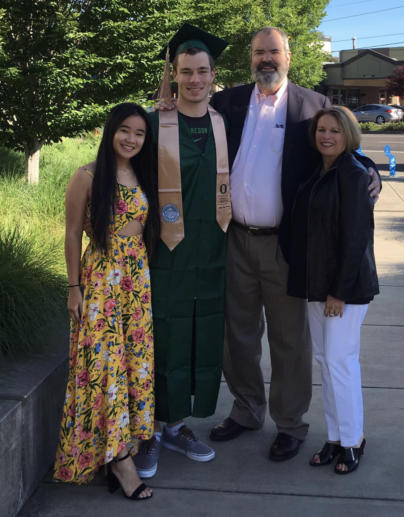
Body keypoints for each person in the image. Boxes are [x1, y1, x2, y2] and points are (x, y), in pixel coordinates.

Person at [207, 27, 380, 461]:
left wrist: (367, 185)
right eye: (259, 52)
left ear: (288, 55)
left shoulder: (314, 106)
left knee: (290, 342)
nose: (266, 59)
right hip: (235, 239)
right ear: (252, 58)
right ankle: (246, 410)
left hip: (287, 246)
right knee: (238, 336)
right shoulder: (226, 103)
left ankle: (290, 424)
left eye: (273, 52)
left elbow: (353, 155)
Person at [132, 24, 232, 478]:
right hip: (163, 251)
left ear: (213, 75)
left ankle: (177, 425)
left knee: (198, 333)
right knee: (162, 335)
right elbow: (118, 162)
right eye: (186, 71)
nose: (195, 79)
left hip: (211, 248)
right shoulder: (153, 123)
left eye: (202, 71)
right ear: (173, 75)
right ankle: (149, 431)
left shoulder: (220, 122)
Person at [55, 102, 160, 500]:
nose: (132, 139)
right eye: (125, 131)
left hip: (137, 280)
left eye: (140, 133)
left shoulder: (142, 173)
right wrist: (73, 287)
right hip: (101, 279)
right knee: (104, 368)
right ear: (110, 131)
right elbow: (70, 235)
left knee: (132, 366)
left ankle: (121, 448)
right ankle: (121, 463)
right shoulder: (87, 175)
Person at [288, 106, 379, 474]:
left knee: (340, 363)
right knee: (327, 363)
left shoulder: (354, 175)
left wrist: (338, 292)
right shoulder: (318, 172)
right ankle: (336, 437)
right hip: (317, 286)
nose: (327, 136)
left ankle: (353, 440)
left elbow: (357, 239)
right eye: (322, 130)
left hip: (344, 289)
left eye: (335, 131)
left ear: (349, 137)